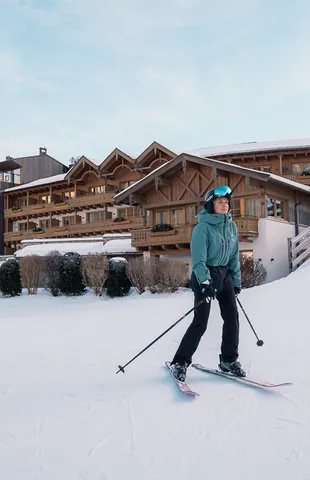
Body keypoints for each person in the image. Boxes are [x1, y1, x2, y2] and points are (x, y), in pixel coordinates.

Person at [170, 185, 245, 382]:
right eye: (220, 202)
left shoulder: (232, 227)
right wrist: (205, 282)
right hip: (205, 276)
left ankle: (228, 360)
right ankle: (180, 362)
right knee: (200, 322)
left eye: (226, 202)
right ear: (210, 204)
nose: (224, 205)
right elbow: (198, 261)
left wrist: (236, 281)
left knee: (232, 319)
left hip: (225, 276)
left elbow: (234, 257)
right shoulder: (202, 228)